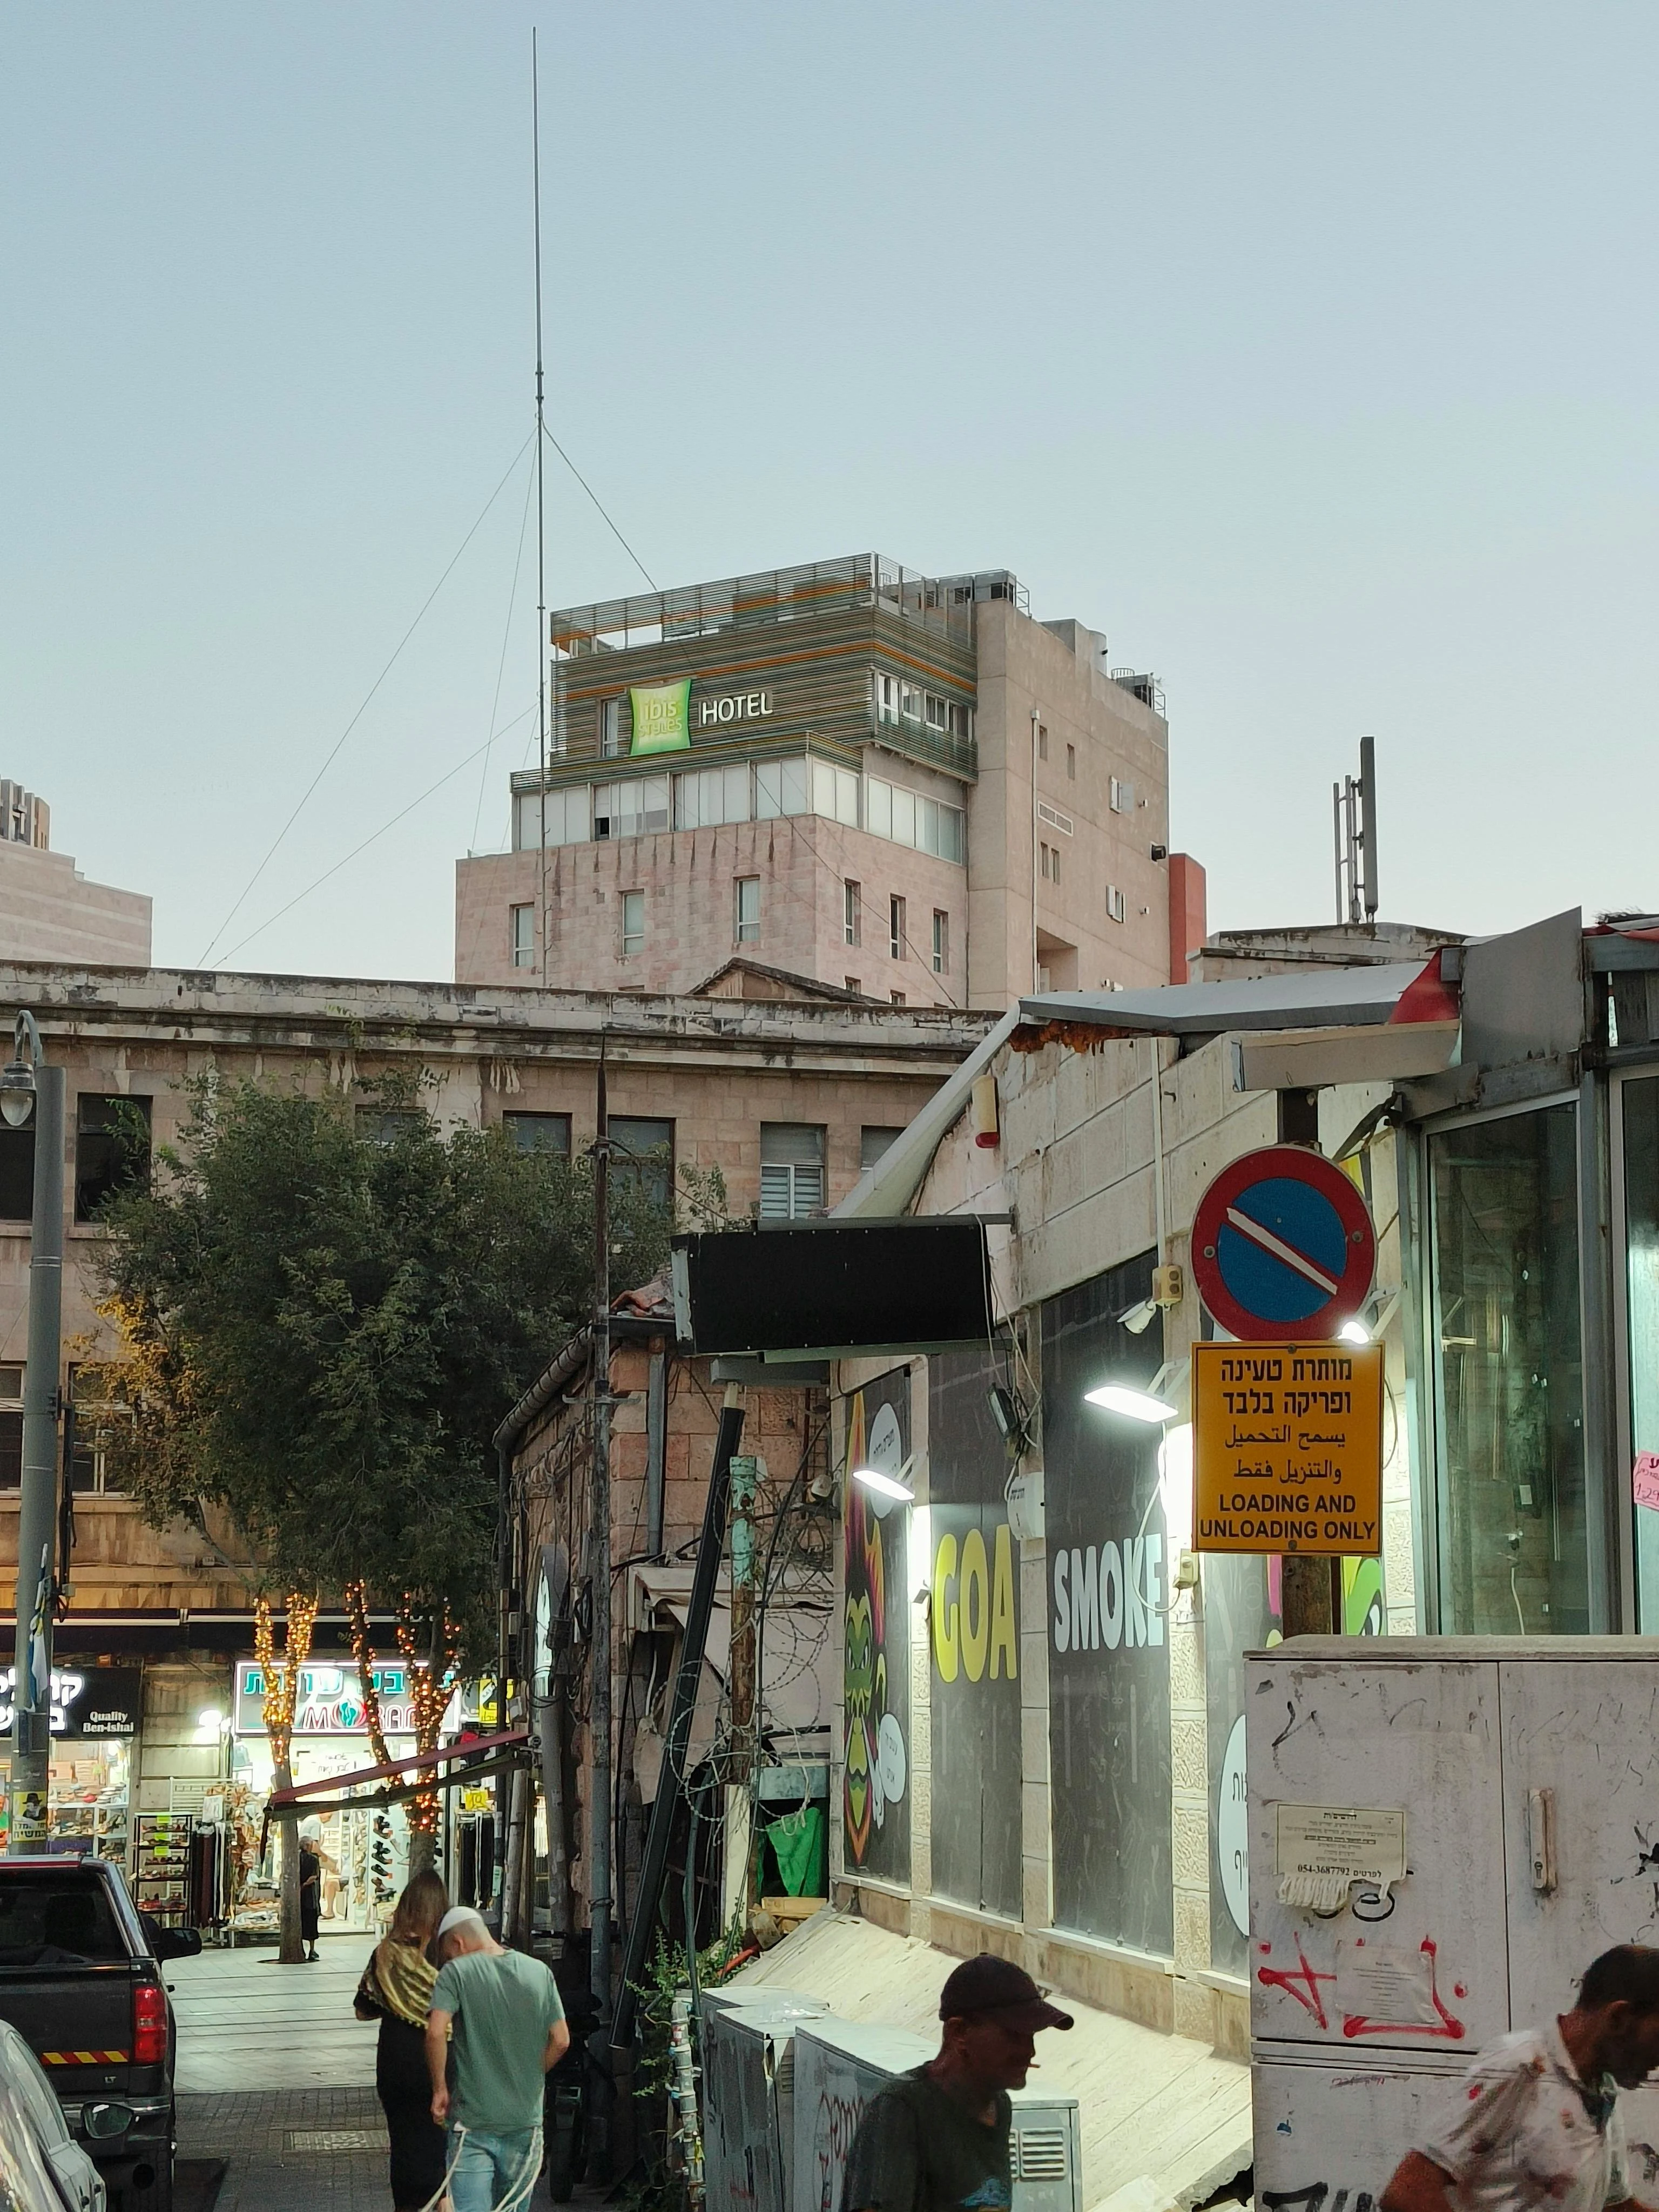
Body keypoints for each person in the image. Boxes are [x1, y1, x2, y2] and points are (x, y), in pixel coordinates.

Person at [1382, 1946, 1659, 2212]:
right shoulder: (1520, 2066)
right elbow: (1408, 2192)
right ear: (1618, 2018)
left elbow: (1615, 2207)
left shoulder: (1603, 2088)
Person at [842, 1953, 1073, 2212]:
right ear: (959, 2032)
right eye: (1014, 2036)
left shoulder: (1000, 2105)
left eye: (1031, 2037)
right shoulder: (901, 2109)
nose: (1030, 2051)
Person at [425, 1905, 569, 2212]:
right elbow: (561, 2040)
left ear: (457, 1943)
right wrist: (530, 2073)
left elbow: (436, 2032)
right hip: (525, 2123)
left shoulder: (456, 1973)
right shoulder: (539, 1972)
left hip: (472, 2124)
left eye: (449, 1954)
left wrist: (440, 2089)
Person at [355, 1870, 449, 2212]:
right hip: (444, 2058)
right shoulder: (451, 1952)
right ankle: (443, 2201)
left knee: (405, 2144)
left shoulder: (387, 1954)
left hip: (397, 2058)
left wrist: (398, 2001)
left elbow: (363, 2009)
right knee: (440, 2142)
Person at [298, 1817, 323, 1963]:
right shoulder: (313, 1860)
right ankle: (312, 1950)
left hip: (299, 1896)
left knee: (301, 1923)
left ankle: (301, 1947)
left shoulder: (295, 1858)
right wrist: (306, 1884)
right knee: (311, 1925)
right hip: (310, 1897)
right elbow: (314, 1877)